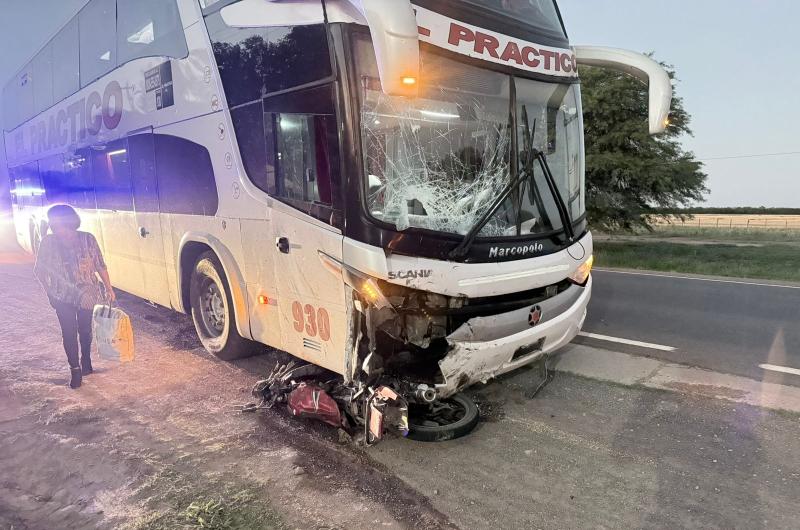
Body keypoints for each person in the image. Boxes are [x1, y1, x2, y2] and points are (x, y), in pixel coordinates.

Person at [34, 205, 115, 389]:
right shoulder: (48, 242)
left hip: (88, 294)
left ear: (69, 222)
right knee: (68, 332)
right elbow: (39, 270)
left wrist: (109, 288)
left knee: (85, 330)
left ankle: (85, 358)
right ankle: (75, 369)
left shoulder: (88, 239)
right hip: (61, 296)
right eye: (53, 224)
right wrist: (49, 293)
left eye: (59, 224)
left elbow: (100, 265)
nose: (56, 228)